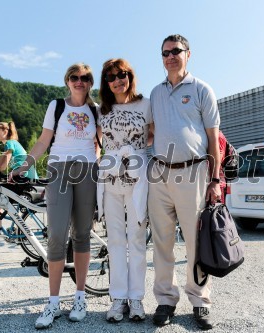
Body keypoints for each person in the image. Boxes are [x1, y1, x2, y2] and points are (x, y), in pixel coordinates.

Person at [10, 63, 99, 329]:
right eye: (74, 77)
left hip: (87, 171)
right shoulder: (56, 106)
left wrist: (99, 164)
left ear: (90, 82)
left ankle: (80, 297)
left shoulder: (96, 110)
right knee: (57, 234)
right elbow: (43, 139)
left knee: (82, 234)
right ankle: (53, 302)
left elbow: (103, 143)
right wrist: (24, 165)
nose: (79, 81)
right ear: (67, 81)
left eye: (84, 78)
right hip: (59, 169)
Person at [148, 34, 221, 330]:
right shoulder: (155, 93)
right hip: (160, 174)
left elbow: (214, 140)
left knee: (195, 241)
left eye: (176, 51)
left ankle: (200, 301)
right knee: (162, 242)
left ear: (188, 54)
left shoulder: (202, 89)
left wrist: (215, 179)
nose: (170, 56)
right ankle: (166, 299)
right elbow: (151, 133)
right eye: (165, 52)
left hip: (194, 173)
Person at [96, 58, 153, 322]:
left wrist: (137, 149)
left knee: (137, 239)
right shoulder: (102, 110)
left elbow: (154, 133)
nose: (117, 80)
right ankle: (118, 298)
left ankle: (137, 299)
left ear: (130, 76)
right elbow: (97, 141)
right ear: (106, 83)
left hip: (137, 176)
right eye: (111, 77)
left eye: (122, 75)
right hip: (110, 179)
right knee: (116, 241)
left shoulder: (145, 104)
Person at [0, 121, 38, 234]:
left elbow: (2, 166)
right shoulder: (11, 144)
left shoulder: (10, 143)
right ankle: (1, 225)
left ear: (5, 131)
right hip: (22, 178)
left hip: (23, 178)